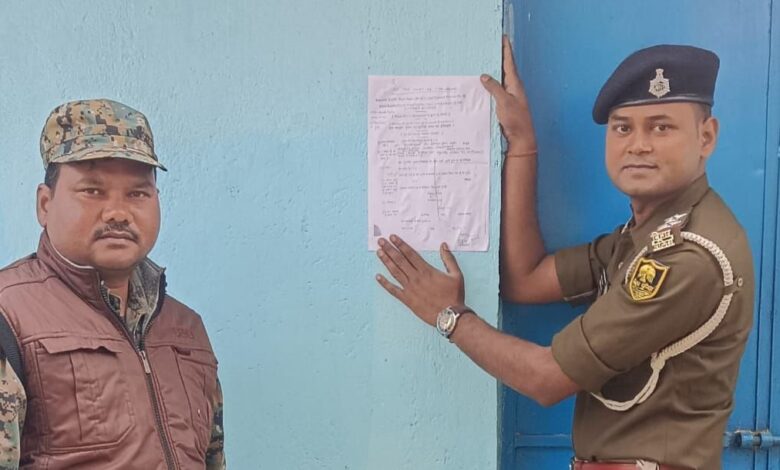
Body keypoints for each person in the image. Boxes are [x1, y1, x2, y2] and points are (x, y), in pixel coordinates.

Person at [375, 39, 753, 470]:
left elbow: (546, 378)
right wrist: (522, 144)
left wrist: (449, 317)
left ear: (706, 137)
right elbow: (526, 279)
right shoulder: (644, 236)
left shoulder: (687, 256)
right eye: (623, 128)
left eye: (661, 128)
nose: (638, 145)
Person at [0, 99, 225, 469]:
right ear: (45, 204)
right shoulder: (10, 317)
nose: (118, 212)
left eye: (137, 193)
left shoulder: (186, 331)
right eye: (92, 191)